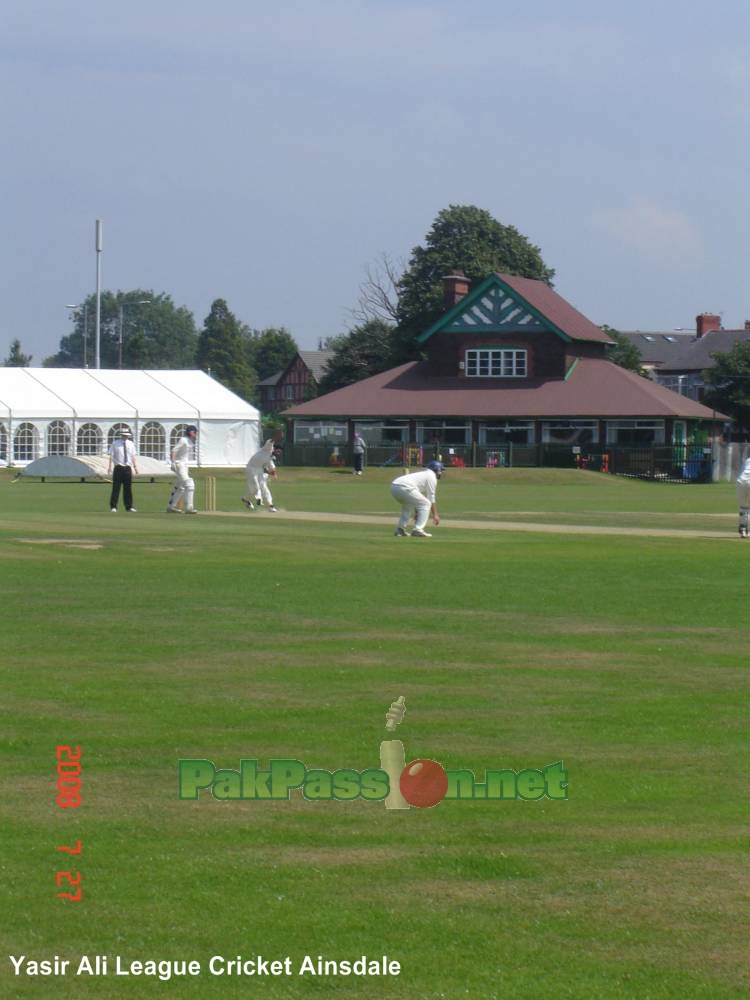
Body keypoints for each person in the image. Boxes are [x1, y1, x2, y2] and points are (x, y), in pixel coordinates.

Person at [390, 460, 442, 537]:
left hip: (394, 487)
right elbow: (431, 497)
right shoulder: (431, 476)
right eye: (440, 470)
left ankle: (400, 530)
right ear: (437, 470)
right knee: (426, 503)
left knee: (408, 506)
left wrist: (417, 511)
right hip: (404, 487)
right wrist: (435, 515)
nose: (441, 473)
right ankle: (418, 530)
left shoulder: (425, 474)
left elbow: (415, 497)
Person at [167, 425, 198, 514]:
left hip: (184, 465)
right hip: (179, 465)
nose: (196, 434)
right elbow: (174, 451)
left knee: (180, 487)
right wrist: (173, 462)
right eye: (195, 432)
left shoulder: (190, 441)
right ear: (191, 432)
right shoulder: (183, 440)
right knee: (189, 483)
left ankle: (171, 507)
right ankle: (189, 507)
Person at [242, 439, 278, 512]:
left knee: (264, 488)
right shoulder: (267, 449)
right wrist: (276, 436)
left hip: (259, 470)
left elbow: (270, 470)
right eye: (277, 451)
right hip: (251, 468)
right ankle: (258, 498)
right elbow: (271, 441)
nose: (277, 452)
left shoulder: (270, 460)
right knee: (256, 488)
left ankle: (270, 505)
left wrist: (273, 473)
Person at [107, 428, 138, 513]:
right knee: (116, 488)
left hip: (127, 467)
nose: (125, 437)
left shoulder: (131, 444)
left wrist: (135, 467)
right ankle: (113, 506)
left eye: (127, 435)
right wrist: (109, 467)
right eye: (124, 435)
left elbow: (133, 456)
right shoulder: (115, 443)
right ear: (121, 435)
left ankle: (129, 506)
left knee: (128, 488)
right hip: (118, 467)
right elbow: (111, 456)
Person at [736, 455, 750, 538]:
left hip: (741, 482)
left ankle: (743, 530)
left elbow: (741, 472)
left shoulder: (747, 460)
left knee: (744, 507)